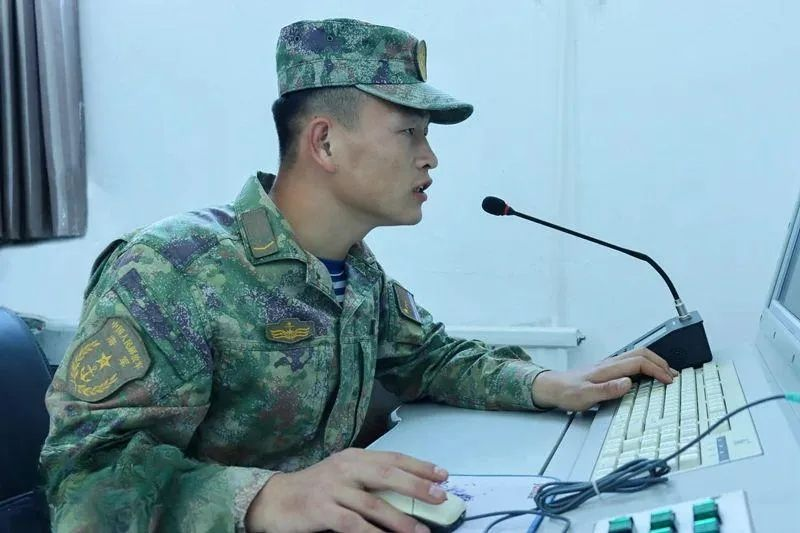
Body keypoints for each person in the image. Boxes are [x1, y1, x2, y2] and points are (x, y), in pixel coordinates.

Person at [40, 18, 677, 533]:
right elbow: (85, 485)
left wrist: (547, 383)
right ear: (324, 143)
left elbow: (429, 359)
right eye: (409, 133)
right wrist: (270, 497)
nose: (430, 157)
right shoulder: (172, 271)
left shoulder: (354, 268)